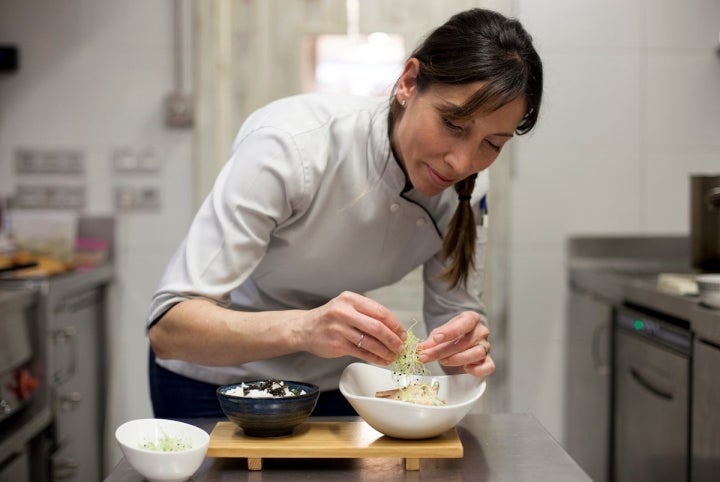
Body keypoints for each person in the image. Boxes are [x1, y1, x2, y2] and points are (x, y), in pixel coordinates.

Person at [146, 7, 543, 418]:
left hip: (335, 385)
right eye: (454, 124)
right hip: (216, 380)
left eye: (492, 143)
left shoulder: (471, 189)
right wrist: (306, 328)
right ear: (408, 83)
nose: (462, 162)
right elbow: (170, 328)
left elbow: (455, 314)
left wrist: (464, 349)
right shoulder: (291, 144)